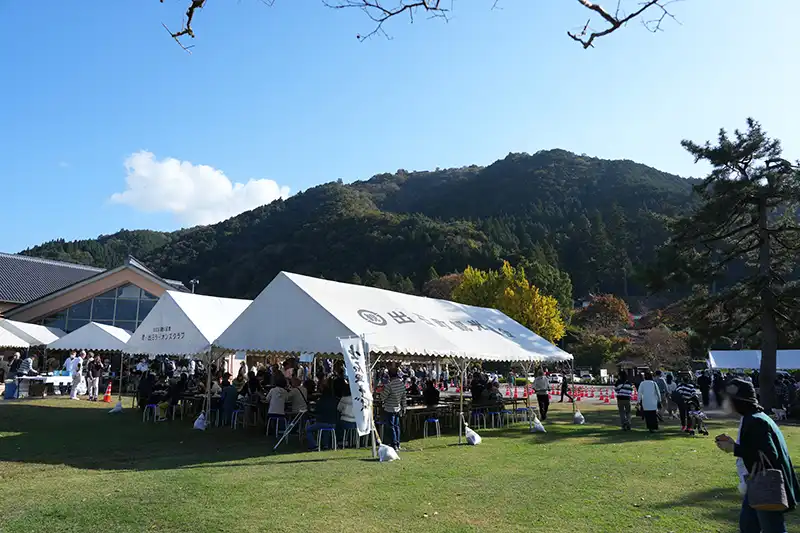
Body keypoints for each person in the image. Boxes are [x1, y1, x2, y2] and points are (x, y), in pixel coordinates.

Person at [715, 378, 800, 533]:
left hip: (767, 483)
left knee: (772, 528)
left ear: (739, 401)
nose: (727, 404)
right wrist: (735, 446)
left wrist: (734, 449)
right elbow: (757, 448)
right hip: (756, 481)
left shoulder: (755, 420)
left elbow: (768, 454)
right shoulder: (756, 417)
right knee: (748, 526)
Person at [306, 378, 339, 450]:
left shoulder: (321, 401)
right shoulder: (336, 400)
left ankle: (314, 445)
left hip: (323, 422)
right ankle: (325, 445)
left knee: (308, 429)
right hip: (333, 423)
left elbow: (316, 411)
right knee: (326, 429)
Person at [380, 367, 407, 450]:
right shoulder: (401, 384)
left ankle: (394, 444)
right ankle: (397, 443)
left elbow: (383, 397)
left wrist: (381, 392)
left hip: (390, 408)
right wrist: (404, 407)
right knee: (396, 426)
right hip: (398, 408)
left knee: (391, 427)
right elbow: (404, 397)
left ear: (389, 375)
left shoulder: (389, 385)